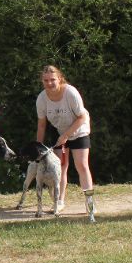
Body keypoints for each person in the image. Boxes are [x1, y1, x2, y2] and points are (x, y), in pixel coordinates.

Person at [35, 65, 96, 214]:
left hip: (79, 130)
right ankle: (59, 201)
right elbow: (42, 125)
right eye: (46, 80)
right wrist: (38, 148)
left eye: (52, 80)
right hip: (60, 130)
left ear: (60, 79)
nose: (49, 83)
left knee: (81, 165)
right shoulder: (42, 98)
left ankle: (90, 202)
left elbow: (82, 117)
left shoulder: (70, 92)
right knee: (60, 167)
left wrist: (67, 135)